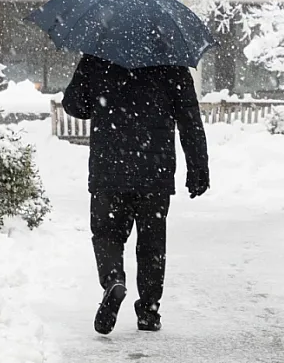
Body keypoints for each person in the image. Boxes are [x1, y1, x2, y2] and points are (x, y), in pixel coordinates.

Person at [62, 54, 210, 335]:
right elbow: (189, 119)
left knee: (107, 233)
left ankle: (113, 280)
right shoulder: (173, 64)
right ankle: (149, 310)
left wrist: (98, 91)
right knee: (152, 243)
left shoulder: (98, 56)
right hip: (155, 171)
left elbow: (74, 105)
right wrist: (198, 167)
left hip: (109, 168)